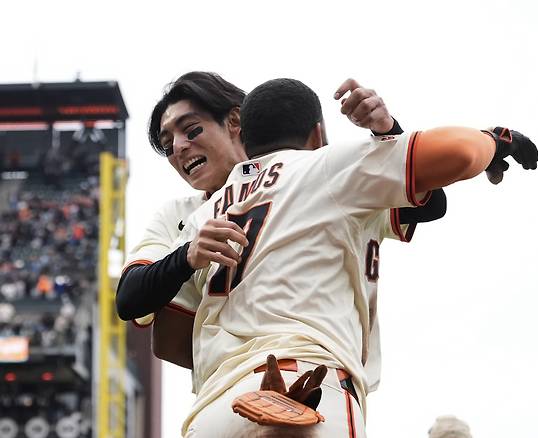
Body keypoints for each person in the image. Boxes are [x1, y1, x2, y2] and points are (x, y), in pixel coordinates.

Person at [169, 78, 538, 437]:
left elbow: (157, 318)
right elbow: (459, 152)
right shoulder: (328, 167)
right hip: (301, 385)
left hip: (211, 409)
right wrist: (492, 141)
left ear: (245, 141)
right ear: (317, 134)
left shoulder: (206, 213)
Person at [116, 72, 447, 378]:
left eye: (191, 130)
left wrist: (387, 130)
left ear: (235, 121)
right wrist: (186, 257)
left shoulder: (312, 172)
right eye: (166, 142)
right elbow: (130, 297)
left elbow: (428, 205)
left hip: (311, 371)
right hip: (235, 383)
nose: (177, 147)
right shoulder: (182, 216)